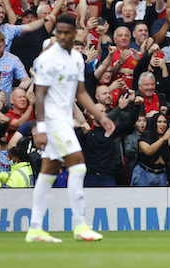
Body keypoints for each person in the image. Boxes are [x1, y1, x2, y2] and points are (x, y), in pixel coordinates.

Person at [26, 14, 115, 243]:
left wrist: (99, 116)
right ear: (55, 34)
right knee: (78, 165)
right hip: (53, 121)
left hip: (65, 120)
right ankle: (80, 226)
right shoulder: (47, 60)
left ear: (75, 34)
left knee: (48, 171)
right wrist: (42, 128)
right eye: (59, 32)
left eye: (67, 32)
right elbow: (40, 96)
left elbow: (81, 93)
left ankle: (35, 229)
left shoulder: (77, 59)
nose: (63, 36)